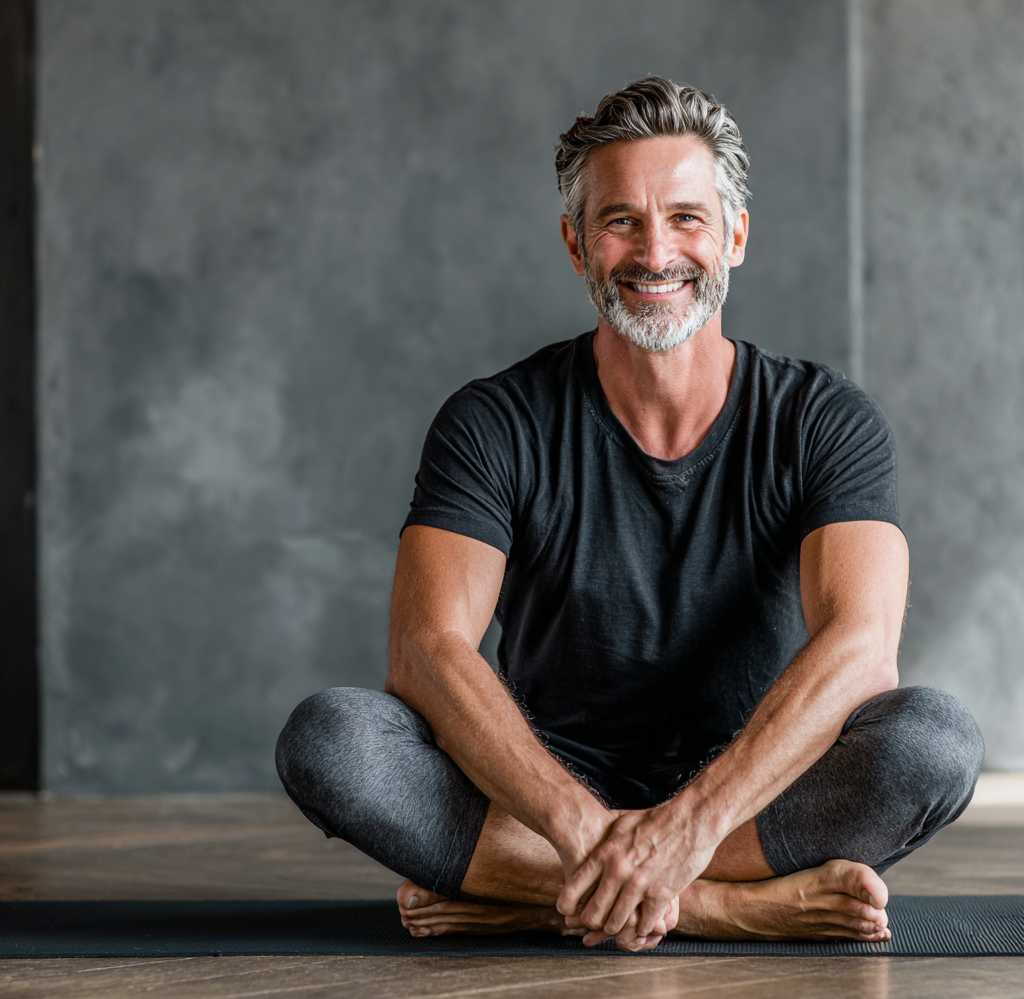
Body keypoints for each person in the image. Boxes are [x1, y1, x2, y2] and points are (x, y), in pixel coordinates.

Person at [276, 77, 983, 951]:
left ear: (735, 235)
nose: (656, 252)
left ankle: (537, 897)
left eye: (686, 217)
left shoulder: (824, 420)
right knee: (333, 739)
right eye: (621, 221)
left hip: (754, 794)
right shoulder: (494, 421)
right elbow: (426, 652)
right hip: (540, 796)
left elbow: (860, 650)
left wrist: (684, 830)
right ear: (577, 246)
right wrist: (585, 830)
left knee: (934, 742)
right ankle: (731, 912)